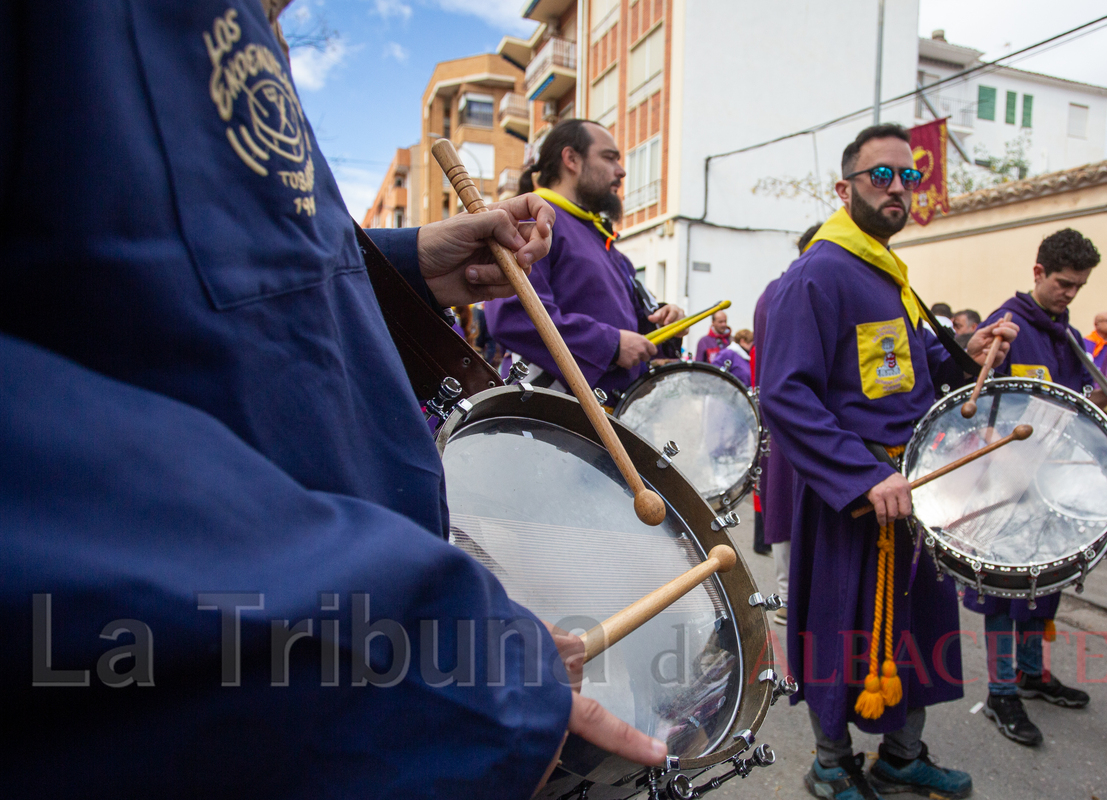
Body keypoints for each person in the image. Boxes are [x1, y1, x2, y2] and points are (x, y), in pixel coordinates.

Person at [0, 3, 664, 796]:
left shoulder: (246, 26)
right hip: (215, 687)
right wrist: (441, 645)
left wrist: (403, 265)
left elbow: (202, 268)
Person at [759, 123, 1017, 800]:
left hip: (917, 489)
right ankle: (829, 763)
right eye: (882, 175)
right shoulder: (816, 274)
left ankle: (903, 754)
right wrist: (863, 475)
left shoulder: (886, 274)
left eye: (909, 176)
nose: (898, 187)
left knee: (921, 628)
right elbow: (785, 395)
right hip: (858, 495)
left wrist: (976, 346)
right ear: (844, 188)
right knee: (840, 628)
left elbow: (921, 372)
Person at [961, 228, 1107, 747]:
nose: (1071, 294)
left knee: (1044, 586)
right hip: (1008, 481)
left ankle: (1030, 671)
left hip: (1053, 480)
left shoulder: (1062, 328)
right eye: (1064, 284)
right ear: (1037, 274)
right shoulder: (1007, 324)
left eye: (1079, 286)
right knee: (1007, 591)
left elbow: (1072, 396)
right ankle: (1002, 690)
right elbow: (976, 402)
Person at [487, 120, 683, 398]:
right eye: (609, 158)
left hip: (609, 420)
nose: (621, 171)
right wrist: (611, 345)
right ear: (571, 159)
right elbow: (515, 314)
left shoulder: (605, 244)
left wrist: (664, 325)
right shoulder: (534, 220)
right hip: (551, 420)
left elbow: (629, 330)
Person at [756, 223, 822, 624]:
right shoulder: (793, 289)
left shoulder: (774, 290)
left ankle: (790, 596)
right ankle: (788, 597)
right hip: (794, 411)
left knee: (786, 500)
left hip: (786, 412)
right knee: (785, 500)